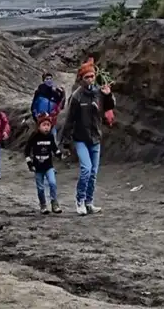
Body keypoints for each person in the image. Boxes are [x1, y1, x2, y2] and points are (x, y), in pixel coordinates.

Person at [62, 57, 116, 216]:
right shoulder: (77, 97)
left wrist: (108, 95)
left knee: (93, 173)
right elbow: (69, 119)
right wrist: (65, 141)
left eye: (92, 76)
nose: (90, 80)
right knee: (86, 169)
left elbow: (109, 107)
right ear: (81, 78)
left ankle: (89, 202)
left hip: (95, 137)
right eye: (87, 77)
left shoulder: (99, 92)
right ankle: (79, 200)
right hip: (80, 138)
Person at [24, 114, 63, 214]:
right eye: (44, 125)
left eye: (48, 125)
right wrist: (30, 163)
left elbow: (54, 148)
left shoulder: (50, 136)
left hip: (49, 166)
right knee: (40, 188)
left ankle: (54, 204)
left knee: (52, 183)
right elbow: (27, 150)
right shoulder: (34, 136)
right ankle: (43, 205)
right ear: (39, 126)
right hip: (37, 167)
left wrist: (60, 154)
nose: (46, 127)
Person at [31, 72, 66, 139]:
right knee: (38, 140)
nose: (49, 80)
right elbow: (33, 107)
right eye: (47, 79)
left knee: (53, 138)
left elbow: (61, 106)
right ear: (43, 80)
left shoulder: (55, 93)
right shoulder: (39, 92)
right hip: (40, 121)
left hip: (52, 122)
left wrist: (63, 95)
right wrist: (36, 118)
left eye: (50, 79)